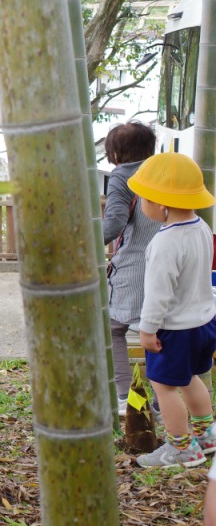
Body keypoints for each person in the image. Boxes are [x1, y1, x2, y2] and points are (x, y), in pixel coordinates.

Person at [129, 153, 216, 468]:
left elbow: (158, 294)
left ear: (161, 204)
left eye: (144, 198)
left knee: (164, 387)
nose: (142, 203)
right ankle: (207, 435)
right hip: (203, 322)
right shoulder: (202, 227)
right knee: (191, 378)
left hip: (174, 330)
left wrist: (147, 330)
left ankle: (181, 448)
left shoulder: (165, 242)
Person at [102, 122, 158, 412]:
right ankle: (160, 404)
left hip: (135, 266)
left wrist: (80, 243)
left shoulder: (123, 175)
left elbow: (114, 223)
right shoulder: (163, 170)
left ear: (115, 153)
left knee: (113, 329)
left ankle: (127, 398)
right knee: (159, 334)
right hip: (168, 264)